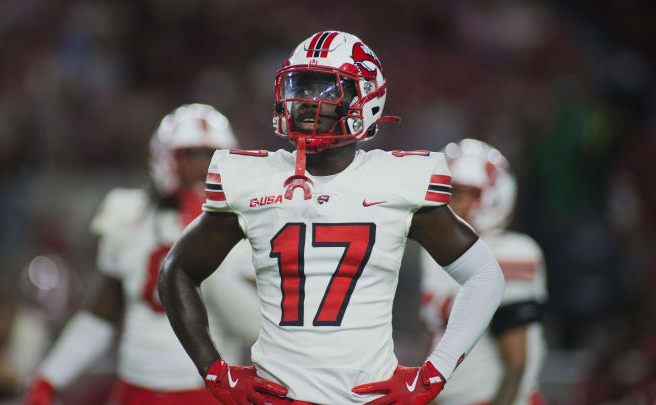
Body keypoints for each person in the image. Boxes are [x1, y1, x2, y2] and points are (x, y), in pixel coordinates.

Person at [158, 31, 506, 405]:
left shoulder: (397, 181)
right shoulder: (252, 179)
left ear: (366, 99)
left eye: (326, 89)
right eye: (300, 85)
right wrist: (214, 371)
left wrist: (434, 372)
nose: (306, 101)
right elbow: (176, 271)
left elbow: (484, 275)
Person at [22, 103, 260, 405]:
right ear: (166, 159)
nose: (205, 167)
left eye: (213, 156)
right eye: (193, 156)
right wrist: (50, 375)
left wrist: (206, 251)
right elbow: (100, 316)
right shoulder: (128, 214)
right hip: (134, 389)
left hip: (206, 390)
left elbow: (253, 329)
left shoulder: (245, 224)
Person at [420, 139, 548, 405]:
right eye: (440, 190)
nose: (442, 201)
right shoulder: (435, 253)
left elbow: (515, 366)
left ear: (491, 197)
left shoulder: (508, 252)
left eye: (455, 193)